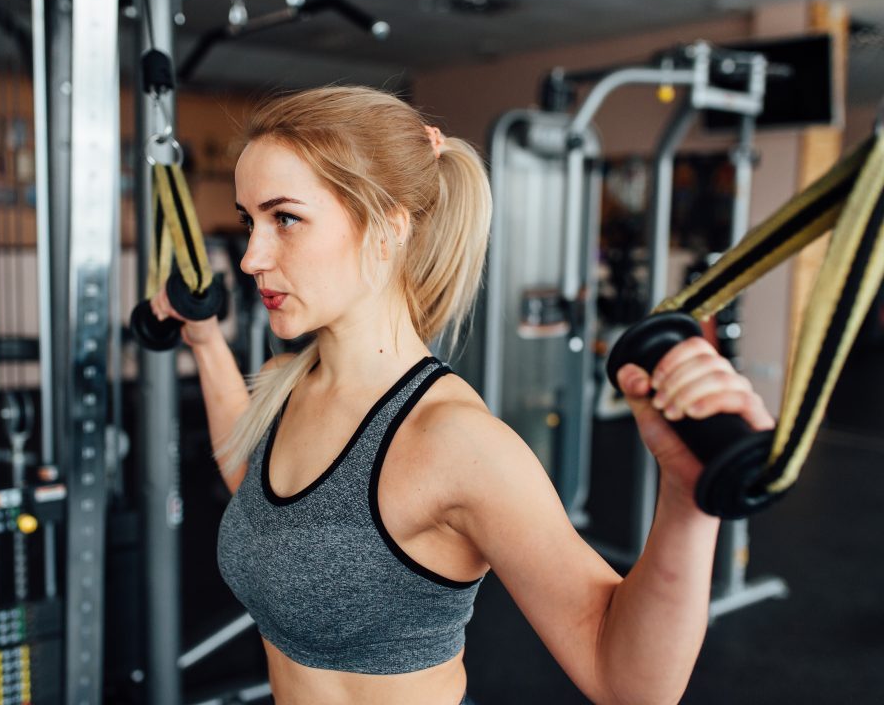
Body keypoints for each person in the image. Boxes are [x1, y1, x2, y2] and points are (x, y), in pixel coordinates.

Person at [150, 86, 774, 705]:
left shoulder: (455, 443)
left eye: (285, 218)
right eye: (247, 221)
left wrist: (688, 502)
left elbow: (630, 684)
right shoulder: (291, 382)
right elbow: (258, 493)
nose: (252, 256)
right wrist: (205, 344)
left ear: (389, 226)